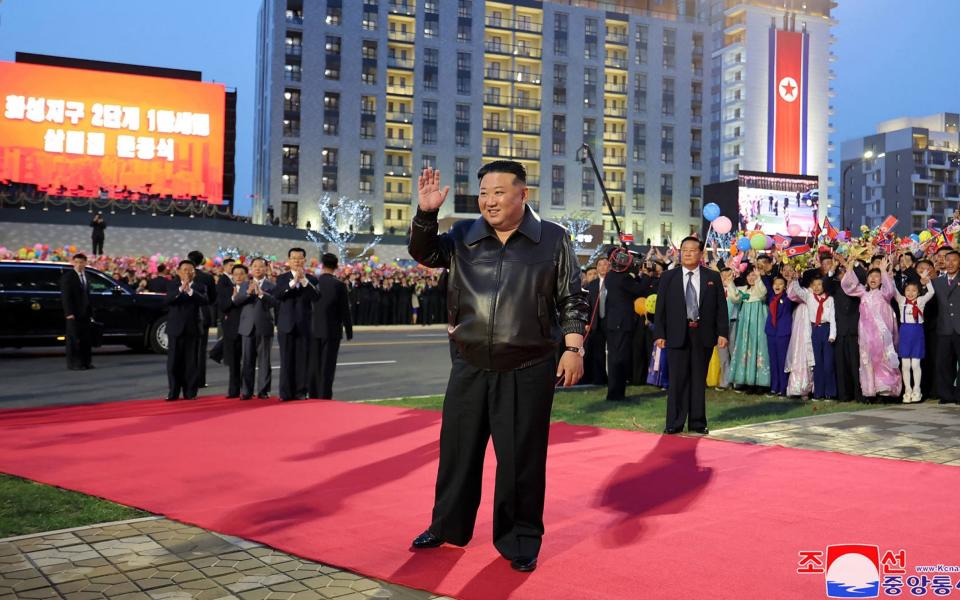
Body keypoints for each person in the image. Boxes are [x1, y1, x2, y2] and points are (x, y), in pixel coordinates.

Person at [407, 163, 588, 573]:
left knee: (521, 459)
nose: (489, 200)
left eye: (499, 192)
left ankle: (520, 539)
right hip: (469, 363)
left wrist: (573, 346)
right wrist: (426, 213)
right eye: (483, 192)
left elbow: (572, 298)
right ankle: (446, 526)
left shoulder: (553, 239)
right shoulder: (463, 236)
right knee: (457, 453)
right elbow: (423, 252)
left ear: (522, 194)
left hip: (527, 364)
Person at [653, 236, 729, 435]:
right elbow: (660, 308)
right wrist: (659, 333)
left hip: (702, 334)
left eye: (692, 250)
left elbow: (721, 308)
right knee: (677, 380)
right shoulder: (669, 277)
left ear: (701, 253)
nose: (687, 253)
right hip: (676, 334)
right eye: (684, 250)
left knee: (698, 379)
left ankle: (697, 422)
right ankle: (674, 423)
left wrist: (722, 332)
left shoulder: (712, 277)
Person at [840, 256, 901, 400]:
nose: (873, 279)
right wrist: (849, 268)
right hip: (867, 335)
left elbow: (890, 289)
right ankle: (870, 390)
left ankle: (887, 390)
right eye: (871, 276)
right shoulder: (863, 293)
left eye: (877, 276)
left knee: (884, 359)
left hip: (882, 334)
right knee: (868, 360)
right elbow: (849, 286)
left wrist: (883, 271)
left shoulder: (884, 294)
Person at [595, 257, 647, 401]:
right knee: (620, 358)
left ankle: (615, 392)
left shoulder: (611, 276)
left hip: (613, 323)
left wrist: (635, 274)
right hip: (621, 324)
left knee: (614, 358)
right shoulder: (623, 279)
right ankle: (616, 393)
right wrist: (645, 275)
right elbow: (640, 289)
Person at [271, 248, 318, 401]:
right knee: (286, 360)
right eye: (293, 258)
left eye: (300, 258)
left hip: (304, 324)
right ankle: (285, 393)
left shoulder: (311, 279)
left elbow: (316, 297)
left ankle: (300, 392)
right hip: (286, 325)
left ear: (304, 260)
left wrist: (303, 280)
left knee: (302, 360)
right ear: (289, 260)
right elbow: (278, 295)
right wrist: (293, 282)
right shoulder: (282, 278)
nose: (297, 261)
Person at [308, 253, 354, 399]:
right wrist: (349, 329)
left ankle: (313, 393)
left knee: (314, 363)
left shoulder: (313, 283)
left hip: (313, 328)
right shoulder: (339, 285)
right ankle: (324, 394)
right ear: (336, 266)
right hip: (332, 329)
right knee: (328, 365)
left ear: (322, 265)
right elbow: (345, 310)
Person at [788, 273, 836, 400]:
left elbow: (832, 318)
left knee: (828, 364)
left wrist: (832, 334)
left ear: (824, 285)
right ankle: (818, 393)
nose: (816, 287)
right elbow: (798, 290)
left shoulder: (830, 300)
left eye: (819, 284)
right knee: (817, 363)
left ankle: (830, 393)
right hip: (815, 330)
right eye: (814, 285)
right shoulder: (809, 297)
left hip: (826, 330)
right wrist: (795, 279)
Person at [165, 260, 208, 400]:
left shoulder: (200, 286)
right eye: (184, 270)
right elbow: (168, 300)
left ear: (194, 273)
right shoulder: (172, 285)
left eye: (190, 270)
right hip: (175, 328)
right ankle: (173, 392)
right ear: (178, 271)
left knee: (191, 363)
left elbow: (204, 301)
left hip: (192, 328)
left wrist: (189, 290)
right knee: (173, 362)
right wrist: (180, 289)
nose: (187, 272)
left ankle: (190, 392)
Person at [236, 257, 277, 399]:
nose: (258, 268)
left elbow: (275, 303)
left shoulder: (271, 286)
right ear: (251, 268)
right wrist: (248, 292)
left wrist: (261, 294)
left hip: (264, 326)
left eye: (261, 266)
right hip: (247, 327)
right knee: (247, 361)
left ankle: (263, 391)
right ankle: (246, 391)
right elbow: (237, 301)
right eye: (255, 266)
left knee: (265, 361)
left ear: (266, 269)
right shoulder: (244, 284)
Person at [724, 267, 771, 389]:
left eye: (753, 276)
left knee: (760, 347)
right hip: (745, 324)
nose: (751, 278)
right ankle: (748, 381)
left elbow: (762, 294)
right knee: (746, 349)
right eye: (749, 276)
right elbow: (734, 298)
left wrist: (759, 278)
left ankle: (761, 383)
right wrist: (730, 282)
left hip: (759, 323)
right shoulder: (744, 289)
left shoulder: (760, 288)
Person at [893, 278, 935, 403]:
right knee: (905, 365)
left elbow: (931, 292)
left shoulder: (921, 301)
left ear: (918, 292)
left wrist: (927, 281)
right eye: (908, 290)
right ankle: (907, 390)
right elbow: (893, 290)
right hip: (905, 333)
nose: (910, 293)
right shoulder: (901, 301)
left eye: (914, 290)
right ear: (904, 291)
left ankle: (917, 390)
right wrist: (889, 277)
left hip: (917, 333)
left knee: (915, 364)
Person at [931, 249, 960, 405]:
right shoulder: (937, 281)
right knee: (943, 363)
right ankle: (946, 395)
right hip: (944, 328)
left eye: (954, 260)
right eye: (947, 260)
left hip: (959, 328)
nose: (950, 263)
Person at [187, 250, 218, 388]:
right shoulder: (208, 277)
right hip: (203, 314)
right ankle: (199, 380)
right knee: (201, 349)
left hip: (186, 315)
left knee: (187, 349)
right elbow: (212, 298)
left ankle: (187, 379)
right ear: (202, 261)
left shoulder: (182, 275)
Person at [218, 264, 248, 398]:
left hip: (248, 329)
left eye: (241, 274)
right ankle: (233, 390)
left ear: (246, 275)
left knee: (248, 362)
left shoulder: (251, 289)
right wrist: (232, 298)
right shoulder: (227, 290)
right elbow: (223, 307)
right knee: (233, 363)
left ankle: (247, 390)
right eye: (236, 274)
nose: (239, 277)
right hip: (232, 330)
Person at [61, 253, 94, 370]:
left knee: (86, 338)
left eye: (81, 262)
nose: (79, 265)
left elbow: (88, 295)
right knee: (74, 339)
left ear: (85, 263)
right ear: (73, 263)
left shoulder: (87, 276)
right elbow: (66, 297)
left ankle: (86, 362)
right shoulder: (68, 277)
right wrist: (69, 313)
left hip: (85, 313)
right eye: (77, 262)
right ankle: (74, 363)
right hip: (73, 314)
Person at [583, 258, 611, 386]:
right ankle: (599, 379)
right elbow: (587, 304)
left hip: (611, 323)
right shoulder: (592, 285)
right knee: (597, 353)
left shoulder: (614, 282)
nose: (603, 267)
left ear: (609, 266)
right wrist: (587, 322)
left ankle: (613, 378)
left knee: (612, 352)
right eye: (600, 265)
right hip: (596, 323)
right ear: (597, 268)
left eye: (605, 264)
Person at [764, 274, 794, 396]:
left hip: (783, 332)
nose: (777, 286)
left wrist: (791, 281)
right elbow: (765, 282)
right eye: (775, 284)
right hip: (771, 332)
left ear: (785, 287)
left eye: (781, 284)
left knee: (782, 361)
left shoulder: (788, 298)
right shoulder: (771, 296)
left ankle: (783, 388)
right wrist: (762, 271)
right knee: (773, 360)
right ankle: (774, 387)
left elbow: (794, 292)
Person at [208, 258, 236, 365]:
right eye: (230, 265)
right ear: (224, 267)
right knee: (228, 336)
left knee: (229, 335)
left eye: (234, 265)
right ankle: (216, 354)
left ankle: (219, 354)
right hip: (226, 311)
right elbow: (222, 297)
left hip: (231, 311)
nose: (232, 267)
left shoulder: (231, 279)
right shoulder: (223, 279)